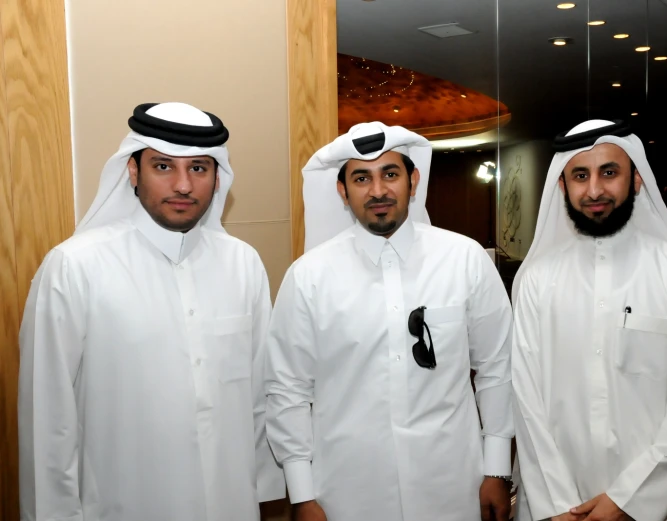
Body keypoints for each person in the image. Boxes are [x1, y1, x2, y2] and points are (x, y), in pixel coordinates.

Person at [18, 102, 285, 521]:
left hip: (230, 502)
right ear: (132, 172)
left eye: (199, 168)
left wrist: (266, 490)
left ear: (218, 179)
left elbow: (258, 393)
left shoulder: (243, 263)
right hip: (123, 504)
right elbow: (49, 417)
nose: (183, 184)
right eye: (163, 167)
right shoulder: (75, 267)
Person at [265, 122, 514, 521]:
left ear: (413, 181)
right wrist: (301, 494)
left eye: (391, 174)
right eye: (362, 177)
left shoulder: (465, 260)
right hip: (346, 493)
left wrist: (498, 469)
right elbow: (287, 389)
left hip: (453, 485)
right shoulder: (308, 277)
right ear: (342, 191)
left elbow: (497, 368)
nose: (378, 190)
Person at [509, 120, 667, 521]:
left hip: (656, 502)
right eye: (580, 175)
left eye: (609, 172)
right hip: (555, 501)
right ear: (563, 187)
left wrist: (631, 500)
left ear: (637, 181)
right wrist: (558, 504)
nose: (594, 190)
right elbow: (525, 397)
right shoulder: (536, 280)